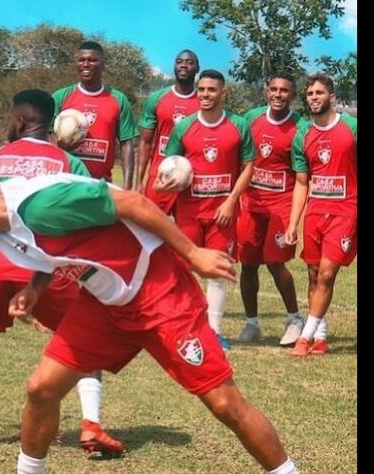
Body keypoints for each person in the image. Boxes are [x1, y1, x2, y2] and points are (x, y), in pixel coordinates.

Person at [0, 159, 298, 474]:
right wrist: (34, 288)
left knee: (225, 405)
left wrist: (192, 253)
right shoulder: (4, 226)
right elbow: (58, 246)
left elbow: (132, 203)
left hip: (159, 292)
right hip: (106, 303)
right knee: (41, 389)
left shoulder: (40, 205)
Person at [0, 90, 122, 455]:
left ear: (18, 121)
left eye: (8, 117)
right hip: (49, 270)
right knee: (83, 343)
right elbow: (92, 218)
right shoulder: (68, 163)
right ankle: (91, 427)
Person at [159, 69, 255, 350]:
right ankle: (185, 327)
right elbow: (168, 167)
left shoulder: (238, 125)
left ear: (223, 92)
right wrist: (166, 185)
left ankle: (213, 332)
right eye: (201, 89)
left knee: (217, 271)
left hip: (222, 214)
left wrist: (230, 201)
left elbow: (248, 165)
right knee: (184, 271)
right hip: (189, 212)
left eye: (211, 90)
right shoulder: (184, 127)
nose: (204, 95)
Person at [285, 73, 357, 357]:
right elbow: (302, 183)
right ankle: (321, 336)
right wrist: (293, 223)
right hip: (316, 213)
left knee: (327, 273)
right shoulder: (303, 134)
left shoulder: (351, 128)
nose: (314, 98)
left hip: (346, 211)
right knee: (314, 274)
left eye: (319, 93)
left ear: (332, 97)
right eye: (310, 94)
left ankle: (304, 337)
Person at [237, 74, 305, 345]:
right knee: (248, 264)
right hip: (251, 204)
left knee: (276, 262)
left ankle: (294, 319)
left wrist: (293, 221)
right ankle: (252, 323)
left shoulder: (300, 127)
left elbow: (302, 175)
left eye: (284, 91)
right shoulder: (251, 119)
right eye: (273, 89)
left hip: (281, 204)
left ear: (293, 95)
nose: (278, 94)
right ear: (266, 92)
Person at [51, 41, 138, 188]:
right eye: (81, 60)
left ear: (103, 64)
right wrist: (61, 144)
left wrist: (127, 187)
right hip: (65, 183)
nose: (86, 64)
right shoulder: (60, 97)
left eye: (92, 60)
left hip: (100, 185)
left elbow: (127, 144)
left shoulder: (118, 99)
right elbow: (45, 138)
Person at [136, 49, 200, 212]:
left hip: (191, 179)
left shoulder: (203, 102)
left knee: (185, 234)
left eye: (189, 62)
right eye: (179, 62)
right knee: (151, 233)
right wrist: (139, 182)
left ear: (197, 69)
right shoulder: (157, 98)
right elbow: (145, 142)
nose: (184, 65)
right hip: (160, 176)